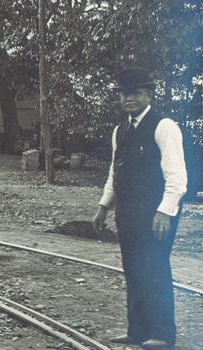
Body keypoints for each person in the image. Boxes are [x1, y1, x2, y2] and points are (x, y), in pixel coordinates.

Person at [91, 67, 186, 349]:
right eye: (123, 93)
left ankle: (163, 334)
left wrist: (165, 211)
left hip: (156, 213)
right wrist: (103, 206)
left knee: (155, 269)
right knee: (132, 269)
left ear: (148, 94)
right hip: (128, 212)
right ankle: (138, 331)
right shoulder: (120, 131)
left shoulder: (163, 126)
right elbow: (114, 172)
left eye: (135, 92)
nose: (128, 98)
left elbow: (177, 177)